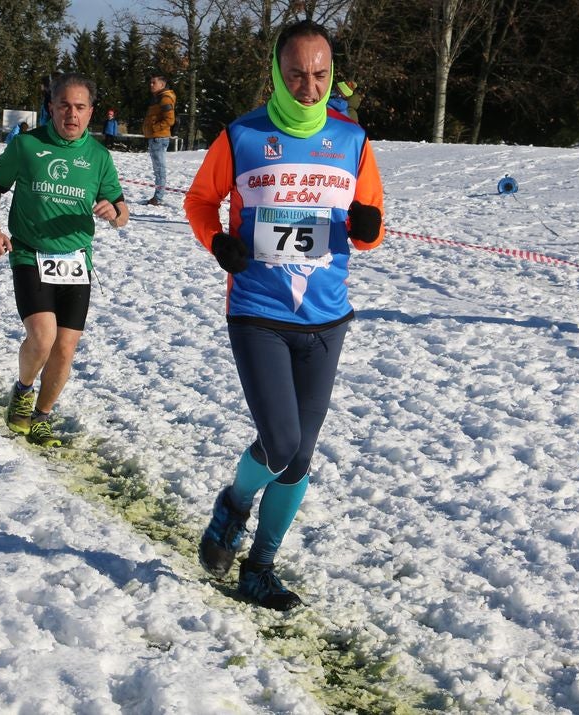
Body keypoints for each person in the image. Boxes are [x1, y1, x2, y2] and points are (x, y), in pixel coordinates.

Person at [183, 19, 384, 610]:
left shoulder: (352, 140)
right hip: (258, 309)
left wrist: (368, 231)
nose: (309, 85)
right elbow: (200, 200)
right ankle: (234, 506)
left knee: (299, 457)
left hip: (325, 316)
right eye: (296, 73)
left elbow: (367, 219)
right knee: (280, 439)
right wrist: (219, 242)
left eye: (320, 73)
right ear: (277, 71)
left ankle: (259, 567)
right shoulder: (243, 135)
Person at [0, 73, 129, 447]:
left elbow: (123, 211)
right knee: (43, 337)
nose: (71, 114)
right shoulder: (27, 145)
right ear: (51, 108)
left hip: (76, 262)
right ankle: (23, 388)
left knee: (65, 348)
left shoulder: (98, 157)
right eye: (64, 106)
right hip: (30, 254)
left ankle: (43, 416)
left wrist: (113, 212)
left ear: (91, 112)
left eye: (80, 107)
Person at [142, 73, 175, 205]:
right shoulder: (158, 98)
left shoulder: (165, 98)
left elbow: (170, 119)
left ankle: (158, 197)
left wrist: (155, 129)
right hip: (156, 137)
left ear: (162, 84)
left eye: (153, 82)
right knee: (158, 169)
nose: (151, 85)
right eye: (150, 82)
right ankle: (158, 196)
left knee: (159, 169)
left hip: (159, 138)